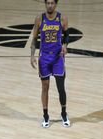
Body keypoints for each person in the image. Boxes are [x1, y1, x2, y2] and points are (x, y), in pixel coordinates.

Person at [29, 0, 69, 128]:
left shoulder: (61, 18)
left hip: (58, 57)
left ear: (56, 4)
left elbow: (66, 34)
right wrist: (32, 55)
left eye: (52, 3)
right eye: (48, 3)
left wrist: (65, 45)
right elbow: (35, 38)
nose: (50, 5)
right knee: (45, 87)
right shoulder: (39, 18)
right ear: (45, 4)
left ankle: (63, 113)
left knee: (61, 88)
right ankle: (45, 115)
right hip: (44, 57)